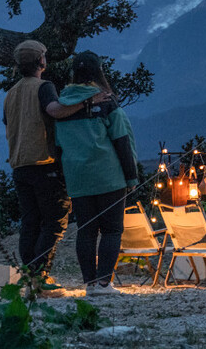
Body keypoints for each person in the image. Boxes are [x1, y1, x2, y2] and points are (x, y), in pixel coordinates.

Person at [48, 51, 139, 296]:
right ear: (100, 72)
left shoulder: (62, 106)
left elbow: (57, 145)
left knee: (86, 230)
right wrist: (131, 178)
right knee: (111, 230)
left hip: (77, 177)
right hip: (109, 176)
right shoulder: (106, 103)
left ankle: (89, 284)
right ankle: (103, 284)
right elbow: (121, 141)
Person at [2, 40, 70, 290]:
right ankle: (40, 276)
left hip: (19, 166)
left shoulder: (10, 94)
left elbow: (8, 127)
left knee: (30, 222)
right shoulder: (44, 87)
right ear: (41, 62)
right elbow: (54, 110)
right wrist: (85, 103)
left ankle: (29, 276)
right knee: (54, 221)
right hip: (44, 163)